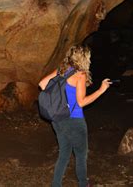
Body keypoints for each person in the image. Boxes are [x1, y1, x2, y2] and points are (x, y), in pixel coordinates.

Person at [38, 45, 111, 187]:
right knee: (81, 155)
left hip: (57, 119)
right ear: (84, 58)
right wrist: (101, 90)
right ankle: (83, 184)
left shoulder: (62, 70)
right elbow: (81, 102)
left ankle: (56, 184)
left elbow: (42, 84)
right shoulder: (80, 74)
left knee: (64, 153)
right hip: (74, 121)